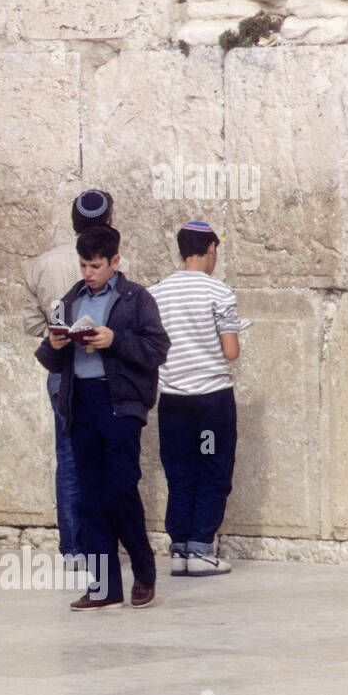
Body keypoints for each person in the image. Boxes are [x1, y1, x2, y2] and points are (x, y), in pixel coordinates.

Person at [35, 226, 169, 611]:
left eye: (95, 265)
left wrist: (116, 340)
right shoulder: (70, 299)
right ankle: (103, 586)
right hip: (82, 404)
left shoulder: (135, 298)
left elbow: (158, 348)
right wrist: (55, 343)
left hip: (120, 405)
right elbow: (48, 357)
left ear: (114, 262)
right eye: (83, 265)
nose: (88, 273)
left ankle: (143, 573)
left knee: (120, 490)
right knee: (90, 498)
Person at [22, 189, 128, 566]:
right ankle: (106, 545)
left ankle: (74, 550)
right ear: (110, 222)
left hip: (63, 372)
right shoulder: (116, 262)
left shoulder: (42, 264)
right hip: (103, 375)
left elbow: (33, 324)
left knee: (68, 458)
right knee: (111, 459)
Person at [150, 221, 241, 577]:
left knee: (181, 472)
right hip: (211, 401)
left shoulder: (156, 293)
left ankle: (180, 549)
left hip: (172, 401)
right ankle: (201, 548)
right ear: (212, 249)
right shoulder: (219, 293)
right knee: (212, 467)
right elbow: (230, 351)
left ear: (180, 252)